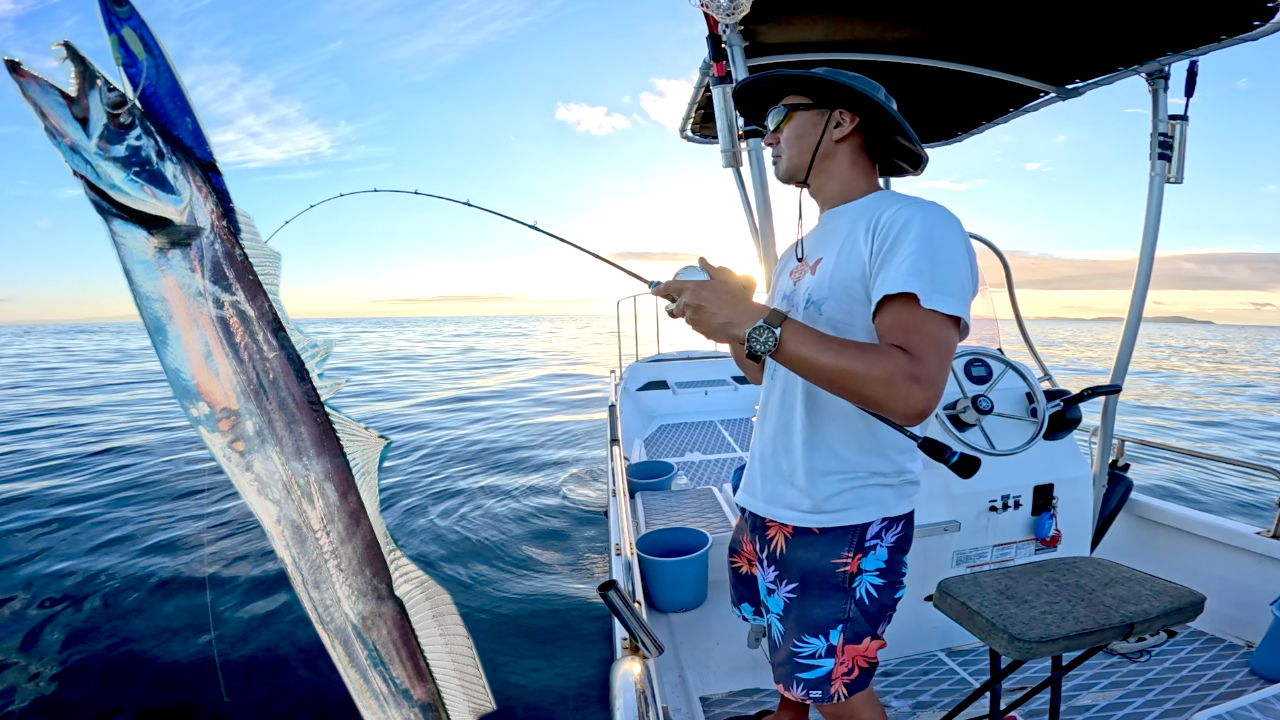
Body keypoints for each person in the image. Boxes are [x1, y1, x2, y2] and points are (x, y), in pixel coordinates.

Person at [651, 68, 979, 720]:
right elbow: (769, 370)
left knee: (839, 685)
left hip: (843, 515)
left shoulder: (912, 224)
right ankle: (787, 715)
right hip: (770, 498)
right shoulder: (799, 250)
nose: (762, 137)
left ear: (843, 120)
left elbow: (912, 388)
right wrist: (728, 321)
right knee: (788, 645)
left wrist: (752, 319)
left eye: (777, 119)